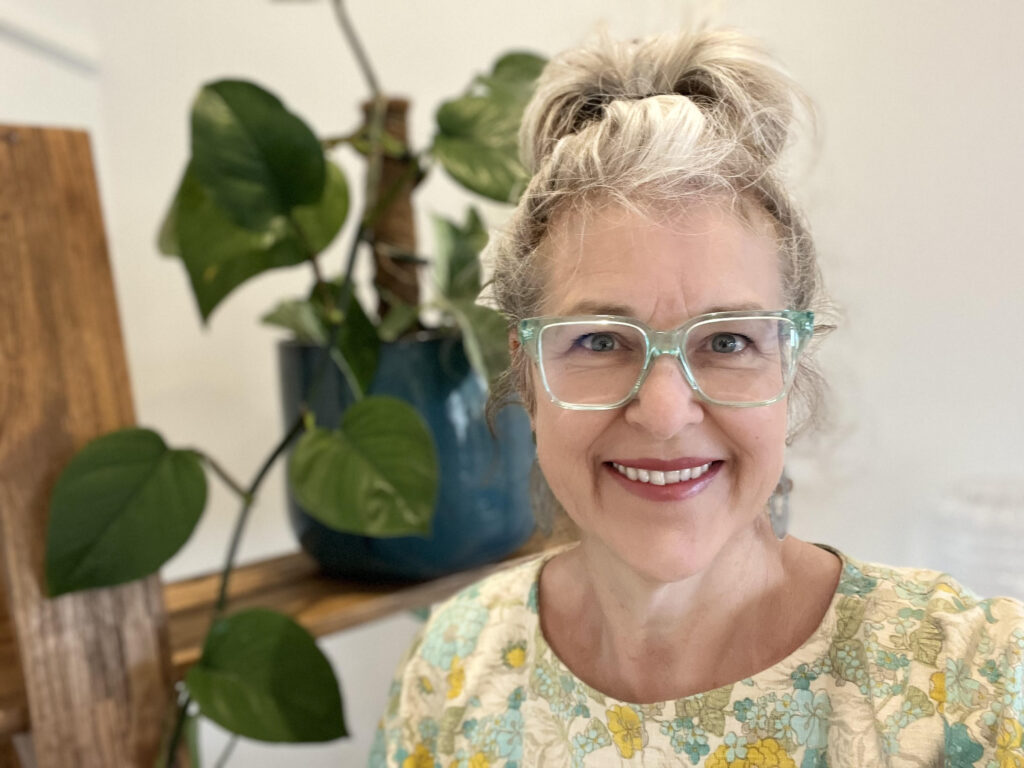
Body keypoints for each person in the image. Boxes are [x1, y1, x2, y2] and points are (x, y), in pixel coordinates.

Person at [371, 27, 1024, 767]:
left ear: (790, 361)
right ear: (526, 369)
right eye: (598, 340)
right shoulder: (455, 668)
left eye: (727, 342)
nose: (665, 411)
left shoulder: (970, 683)